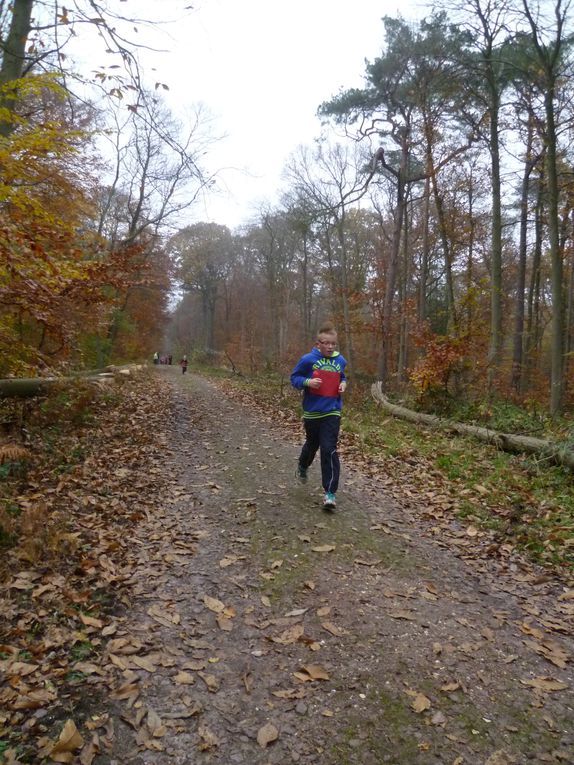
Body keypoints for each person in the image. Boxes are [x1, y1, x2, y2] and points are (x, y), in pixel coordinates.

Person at [290, 322, 347, 511]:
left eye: (333, 344)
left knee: (329, 448)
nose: (330, 347)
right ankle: (303, 465)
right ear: (318, 344)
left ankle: (330, 493)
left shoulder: (341, 361)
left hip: (332, 410)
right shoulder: (307, 360)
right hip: (312, 412)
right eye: (326, 343)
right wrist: (308, 382)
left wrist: (343, 385)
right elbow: (294, 378)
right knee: (312, 445)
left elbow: (343, 376)